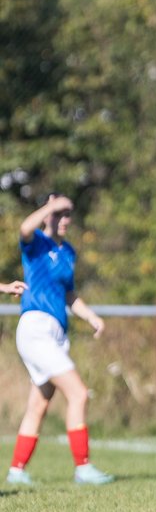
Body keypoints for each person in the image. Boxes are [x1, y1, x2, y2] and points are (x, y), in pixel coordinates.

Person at [7, 194, 115, 486]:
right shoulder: (37, 243)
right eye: (59, 213)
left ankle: (17, 470)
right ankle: (83, 467)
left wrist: (91, 316)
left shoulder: (68, 252)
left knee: (39, 404)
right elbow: (23, 228)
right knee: (78, 393)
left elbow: (69, 294)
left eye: (68, 214)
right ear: (48, 214)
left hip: (56, 334)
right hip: (36, 329)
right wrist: (49, 207)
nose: (64, 219)